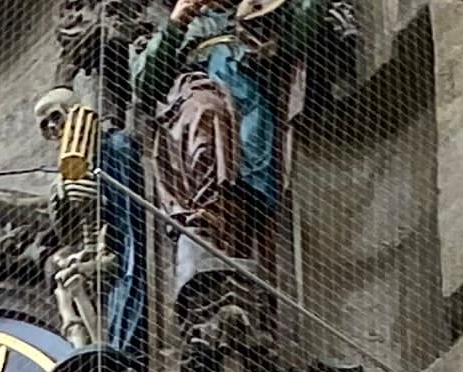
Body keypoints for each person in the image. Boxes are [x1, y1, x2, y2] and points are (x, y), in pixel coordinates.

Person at [130, 0, 320, 262]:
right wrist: (176, 26)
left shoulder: (256, 11)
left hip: (247, 98)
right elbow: (144, 84)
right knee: (205, 114)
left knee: (248, 177)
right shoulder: (167, 28)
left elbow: (300, 36)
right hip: (193, 94)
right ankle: (207, 213)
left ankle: (236, 231)